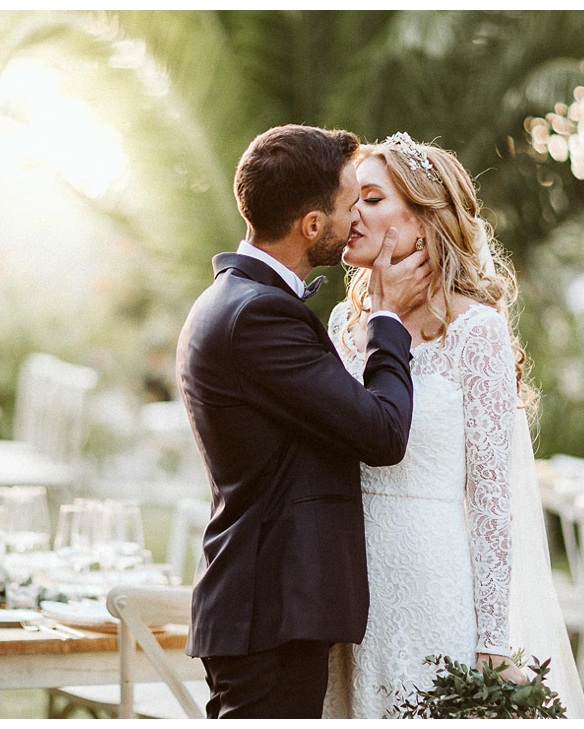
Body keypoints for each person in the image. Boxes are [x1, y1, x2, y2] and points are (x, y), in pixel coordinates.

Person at [321, 133, 584, 719]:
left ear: (422, 221)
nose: (351, 214)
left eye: (371, 199)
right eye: (351, 199)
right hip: (342, 582)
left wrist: (492, 638)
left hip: (428, 580)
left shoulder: (476, 333)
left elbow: (493, 498)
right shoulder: (346, 322)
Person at [175, 124, 433, 719]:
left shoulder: (233, 299)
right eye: (350, 206)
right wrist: (389, 321)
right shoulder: (259, 314)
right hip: (269, 611)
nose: (356, 221)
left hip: (268, 608)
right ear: (312, 225)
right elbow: (381, 432)